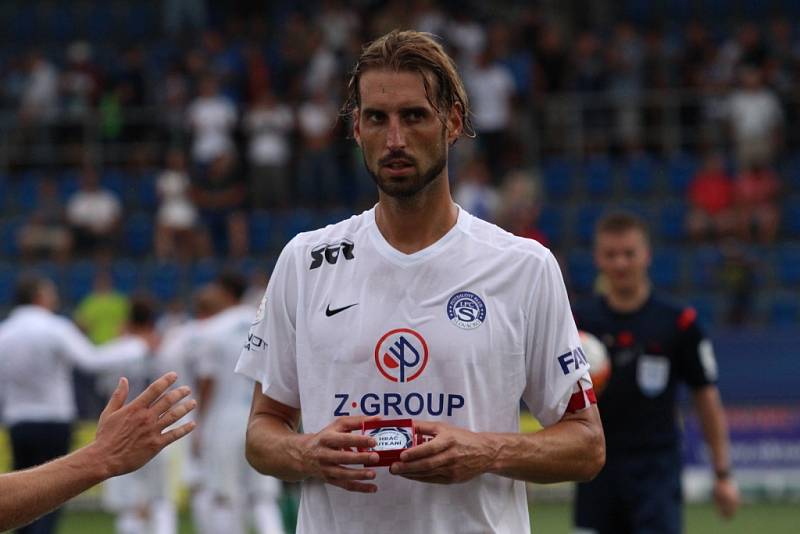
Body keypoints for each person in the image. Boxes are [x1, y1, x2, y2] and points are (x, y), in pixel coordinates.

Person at [236, 30, 604, 534]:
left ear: (453, 122)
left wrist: (487, 449)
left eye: (413, 116)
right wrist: (305, 452)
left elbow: (587, 445)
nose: (394, 140)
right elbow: (261, 432)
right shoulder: (306, 262)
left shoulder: (523, 266)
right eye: (376, 118)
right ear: (356, 128)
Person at [572, 212, 740, 534]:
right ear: (597, 258)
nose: (620, 263)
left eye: (629, 253)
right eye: (611, 254)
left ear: (646, 255)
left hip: (656, 472)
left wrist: (722, 474)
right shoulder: (579, 323)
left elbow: (706, 396)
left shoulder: (679, 322)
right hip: (596, 469)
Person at [0, 275, 153, 534]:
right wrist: (137, 345)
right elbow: (91, 360)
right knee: (49, 496)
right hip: (54, 421)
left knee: (18, 496)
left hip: (18, 421)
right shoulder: (54, 327)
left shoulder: (5, 332)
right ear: (39, 296)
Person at [0, 371, 196, 532]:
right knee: (160, 501)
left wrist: (102, 456)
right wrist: (101, 456)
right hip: (141, 427)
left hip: (129, 428)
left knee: (136, 506)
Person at [196, 274, 284, 534]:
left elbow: (206, 382)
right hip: (263, 416)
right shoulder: (264, 321)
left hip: (223, 420)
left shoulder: (211, 329)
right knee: (264, 498)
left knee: (226, 497)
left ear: (225, 292)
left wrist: (200, 425)